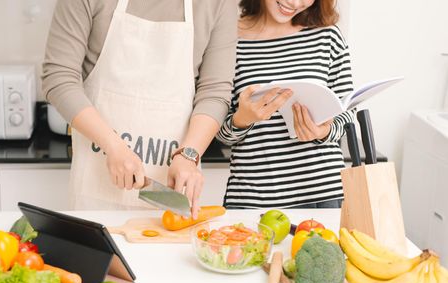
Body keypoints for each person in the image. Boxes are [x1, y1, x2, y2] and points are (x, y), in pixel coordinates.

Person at [42, 0, 237, 218]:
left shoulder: (219, 4)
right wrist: (113, 145)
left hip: (173, 194)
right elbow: (59, 78)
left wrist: (189, 154)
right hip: (96, 194)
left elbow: (214, 91)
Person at [217, 0, 354, 209]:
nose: (295, 3)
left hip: (322, 194)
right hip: (253, 200)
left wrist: (323, 131)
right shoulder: (227, 39)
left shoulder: (328, 37)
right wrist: (242, 119)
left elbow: (347, 112)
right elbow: (217, 130)